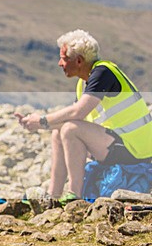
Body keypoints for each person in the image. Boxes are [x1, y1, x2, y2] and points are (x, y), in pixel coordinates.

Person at [15, 29, 152, 202]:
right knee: (59, 132)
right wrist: (34, 122)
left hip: (136, 149)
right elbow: (70, 118)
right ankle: (53, 196)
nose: (59, 63)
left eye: (64, 59)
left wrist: (42, 121)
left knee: (70, 130)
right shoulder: (84, 82)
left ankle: (75, 195)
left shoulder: (103, 72)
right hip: (117, 142)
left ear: (79, 60)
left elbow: (77, 112)